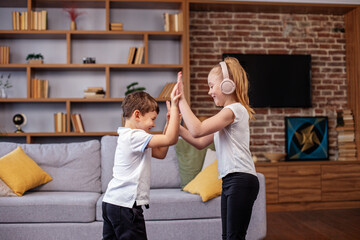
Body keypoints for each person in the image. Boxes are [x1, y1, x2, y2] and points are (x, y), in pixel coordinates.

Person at [177, 57, 259, 240]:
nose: (209, 91)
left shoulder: (234, 110)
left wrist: (181, 99)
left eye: (211, 86)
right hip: (230, 181)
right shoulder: (225, 116)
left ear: (227, 85)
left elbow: (197, 130)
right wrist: (177, 126)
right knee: (228, 237)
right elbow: (200, 142)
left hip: (241, 179)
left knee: (233, 237)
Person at [102, 85, 181, 240]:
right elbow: (171, 139)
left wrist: (168, 124)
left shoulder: (130, 137)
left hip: (112, 203)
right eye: (152, 119)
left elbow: (161, 153)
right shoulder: (135, 136)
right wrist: (176, 110)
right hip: (126, 205)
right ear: (137, 115)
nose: (153, 124)